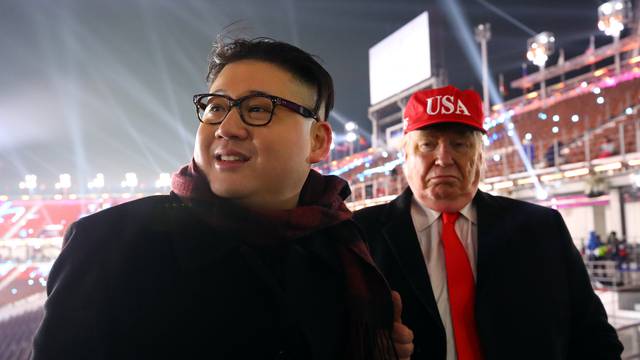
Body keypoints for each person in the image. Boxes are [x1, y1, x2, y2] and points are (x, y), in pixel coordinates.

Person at [31, 37, 413, 360]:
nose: (227, 128)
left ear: (318, 141)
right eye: (215, 107)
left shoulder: (343, 249)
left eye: (259, 109)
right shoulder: (107, 244)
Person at [354, 85, 623, 359]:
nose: (443, 158)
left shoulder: (542, 228)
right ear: (406, 157)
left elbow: (593, 336)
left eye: (459, 144)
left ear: (480, 156)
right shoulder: (360, 234)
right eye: (428, 144)